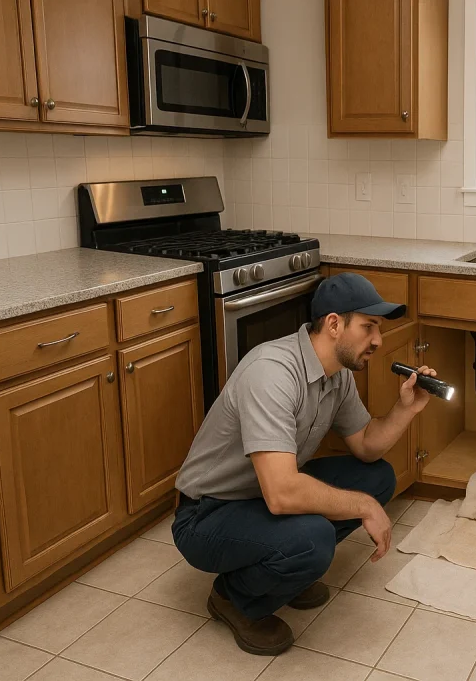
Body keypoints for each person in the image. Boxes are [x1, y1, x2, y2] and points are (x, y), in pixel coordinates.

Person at [171, 272, 437, 656]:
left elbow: (365, 446)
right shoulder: (273, 373)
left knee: (375, 478)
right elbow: (281, 494)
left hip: (261, 492)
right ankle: (233, 597)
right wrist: (363, 507)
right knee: (313, 539)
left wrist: (405, 409)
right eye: (368, 327)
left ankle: (282, 568)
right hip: (207, 513)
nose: (378, 341)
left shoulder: (337, 375)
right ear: (333, 324)